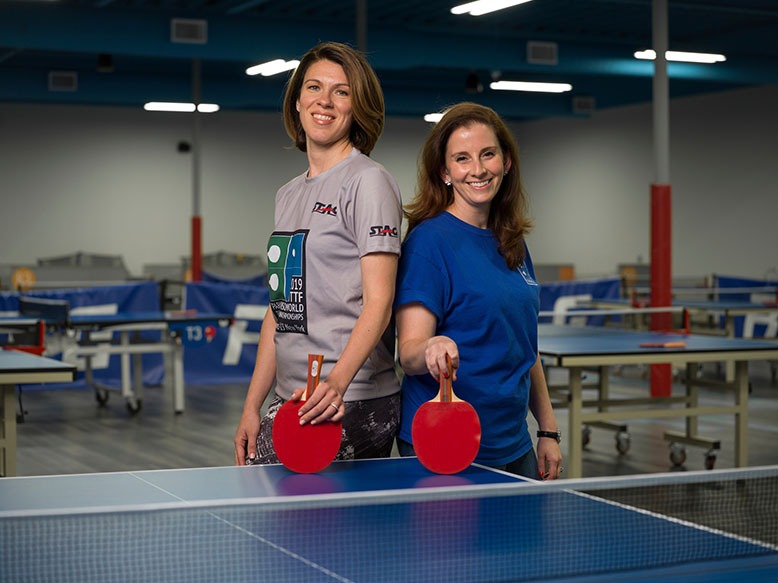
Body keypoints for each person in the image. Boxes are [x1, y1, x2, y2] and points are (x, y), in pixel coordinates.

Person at [234, 41, 402, 466]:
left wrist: (336, 384)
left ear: (357, 106)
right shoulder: (287, 194)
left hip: (352, 397)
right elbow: (280, 307)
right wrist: (253, 405)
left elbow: (379, 304)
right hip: (289, 395)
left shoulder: (369, 182)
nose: (324, 101)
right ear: (296, 102)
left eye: (341, 91)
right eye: (313, 87)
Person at [394, 102, 563, 480]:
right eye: (462, 158)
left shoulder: (512, 243)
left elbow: (525, 346)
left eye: (488, 154)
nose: (478, 169)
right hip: (446, 443)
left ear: (506, 162)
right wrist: (431, 347)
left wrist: (547, 429)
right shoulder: (428, 244)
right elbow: (409, 354)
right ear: (445, 172)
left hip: (514, 441)